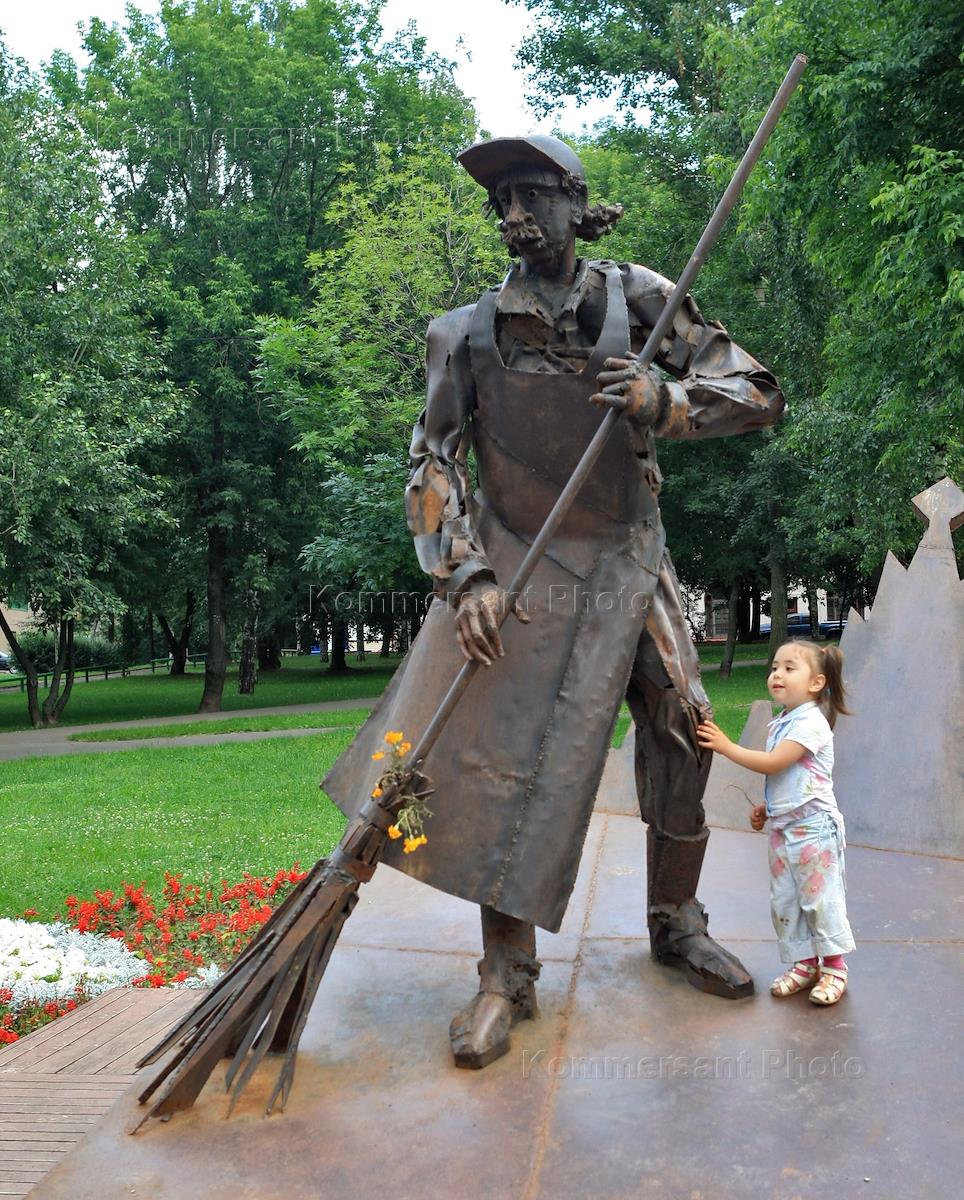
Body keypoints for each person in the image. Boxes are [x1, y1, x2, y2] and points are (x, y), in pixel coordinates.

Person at [324, 134, 785, 1068]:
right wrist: (465, 574)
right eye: (502, 203)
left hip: (624, 558)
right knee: (504, 761)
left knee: (683, 724)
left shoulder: (642, 299)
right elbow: (433, 460)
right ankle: (505, 976)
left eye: (532, 194)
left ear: (578, 202)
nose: (515, 216)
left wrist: (667, 401)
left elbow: (758, 391)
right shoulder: (463, 333)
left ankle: (676, 920)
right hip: (517, 566)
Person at [696, 640, 856, 1005]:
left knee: (819, 900)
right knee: (786, 901)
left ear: (816, 683)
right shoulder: (784, 720)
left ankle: (834, 967)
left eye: (788, 668)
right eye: (774, 668)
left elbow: (774, 764)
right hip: (785, 829)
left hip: (814, 830)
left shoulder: (812, 722)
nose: (777, 674)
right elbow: (791, 780)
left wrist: (726, 746)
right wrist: (768, 809)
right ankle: (804, 964)